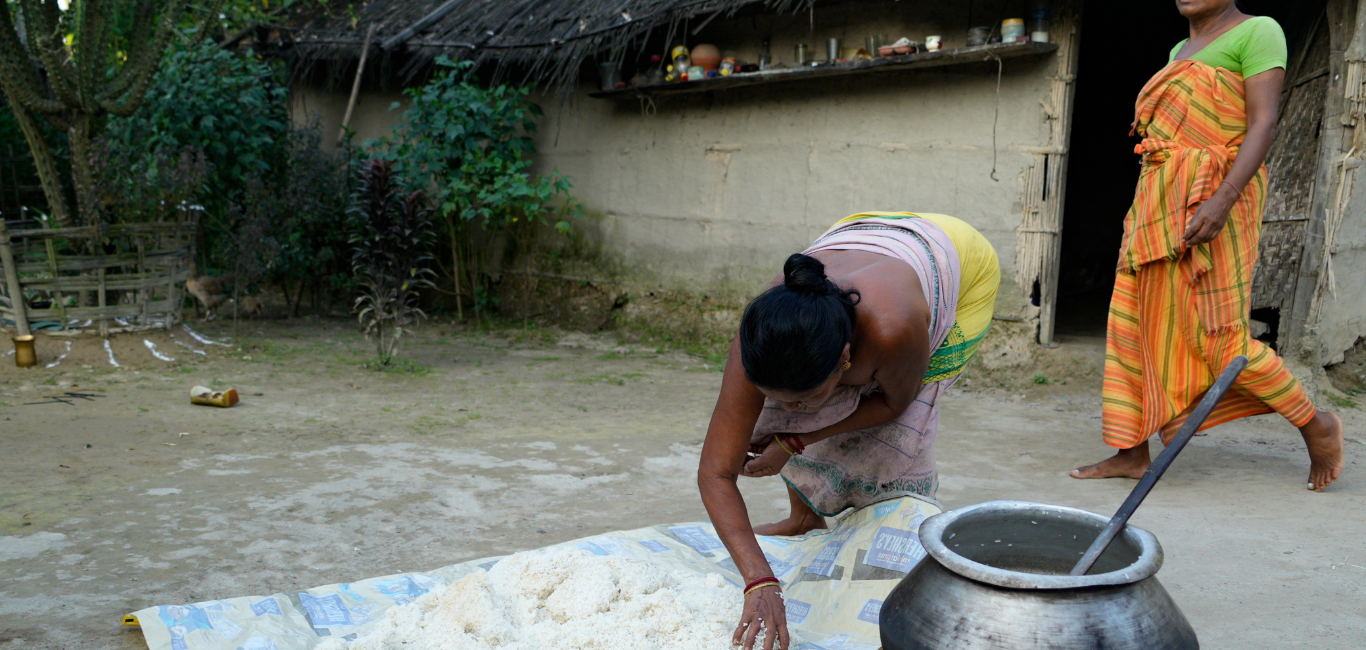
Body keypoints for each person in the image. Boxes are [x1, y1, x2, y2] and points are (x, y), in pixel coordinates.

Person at [1070, 0, 1345, 490]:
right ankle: (1131, 450)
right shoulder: (1180, 49)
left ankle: (1315, 423)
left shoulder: (1259, 31)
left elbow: (1263, 123)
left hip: (1218, 199)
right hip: (1158, 199)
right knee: (1137, 320)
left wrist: (1222, 201)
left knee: (1220, 336)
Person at [697, 212, 999, 650]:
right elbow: (715, 472)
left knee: (892, 443)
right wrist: (759, 581)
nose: (792, 411)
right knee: (775, 418)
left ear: (844, 358)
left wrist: (796, 440)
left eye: (804, 397)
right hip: (868, 236)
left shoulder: (893, 331)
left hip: (960, 259)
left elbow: (895, 404)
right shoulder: (759, 342)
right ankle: (805, 518)